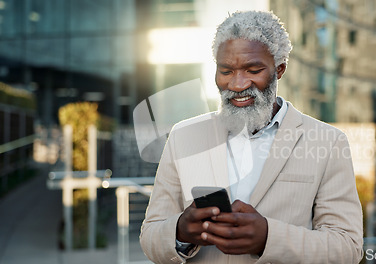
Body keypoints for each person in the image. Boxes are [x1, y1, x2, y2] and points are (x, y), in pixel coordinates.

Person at [140, 10, 363, 264]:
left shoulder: (328, 142)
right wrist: (180, 231)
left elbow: (347, 247)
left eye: (253, 70)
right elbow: (150, 236)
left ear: (279, 70)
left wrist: (268, 238)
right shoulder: (183, 136)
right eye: (226, 71)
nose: (237, 84)